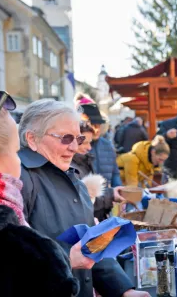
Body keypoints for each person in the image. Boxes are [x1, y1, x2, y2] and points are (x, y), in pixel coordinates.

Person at [18, 99, 149, 297]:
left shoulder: (74, 180)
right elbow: (12, 259)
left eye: (78, 139)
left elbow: (91, 245)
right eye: (65, 138)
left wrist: (123, 290)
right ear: (32, 139)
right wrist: (66, 259)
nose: (73, 147)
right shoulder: (20, 180)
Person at [0, 91, 80, 296]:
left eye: (78, 138)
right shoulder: (14, 246)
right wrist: (64, 260)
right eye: (15, 151)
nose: (20, 160)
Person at [71, 121, 125, 220]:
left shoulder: (85, 161)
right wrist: (111, 195)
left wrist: (111, 192)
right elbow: (83, 200)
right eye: (85, 143)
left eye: (90, 143)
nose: (89, 147)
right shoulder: (71, 168)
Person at [81, 103, 123, 188]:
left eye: (99, 125)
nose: (97, 129)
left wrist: (118, 191)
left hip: (106, 197)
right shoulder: (77, 148)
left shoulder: (107, 145)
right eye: (93, 125)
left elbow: (115, 174)